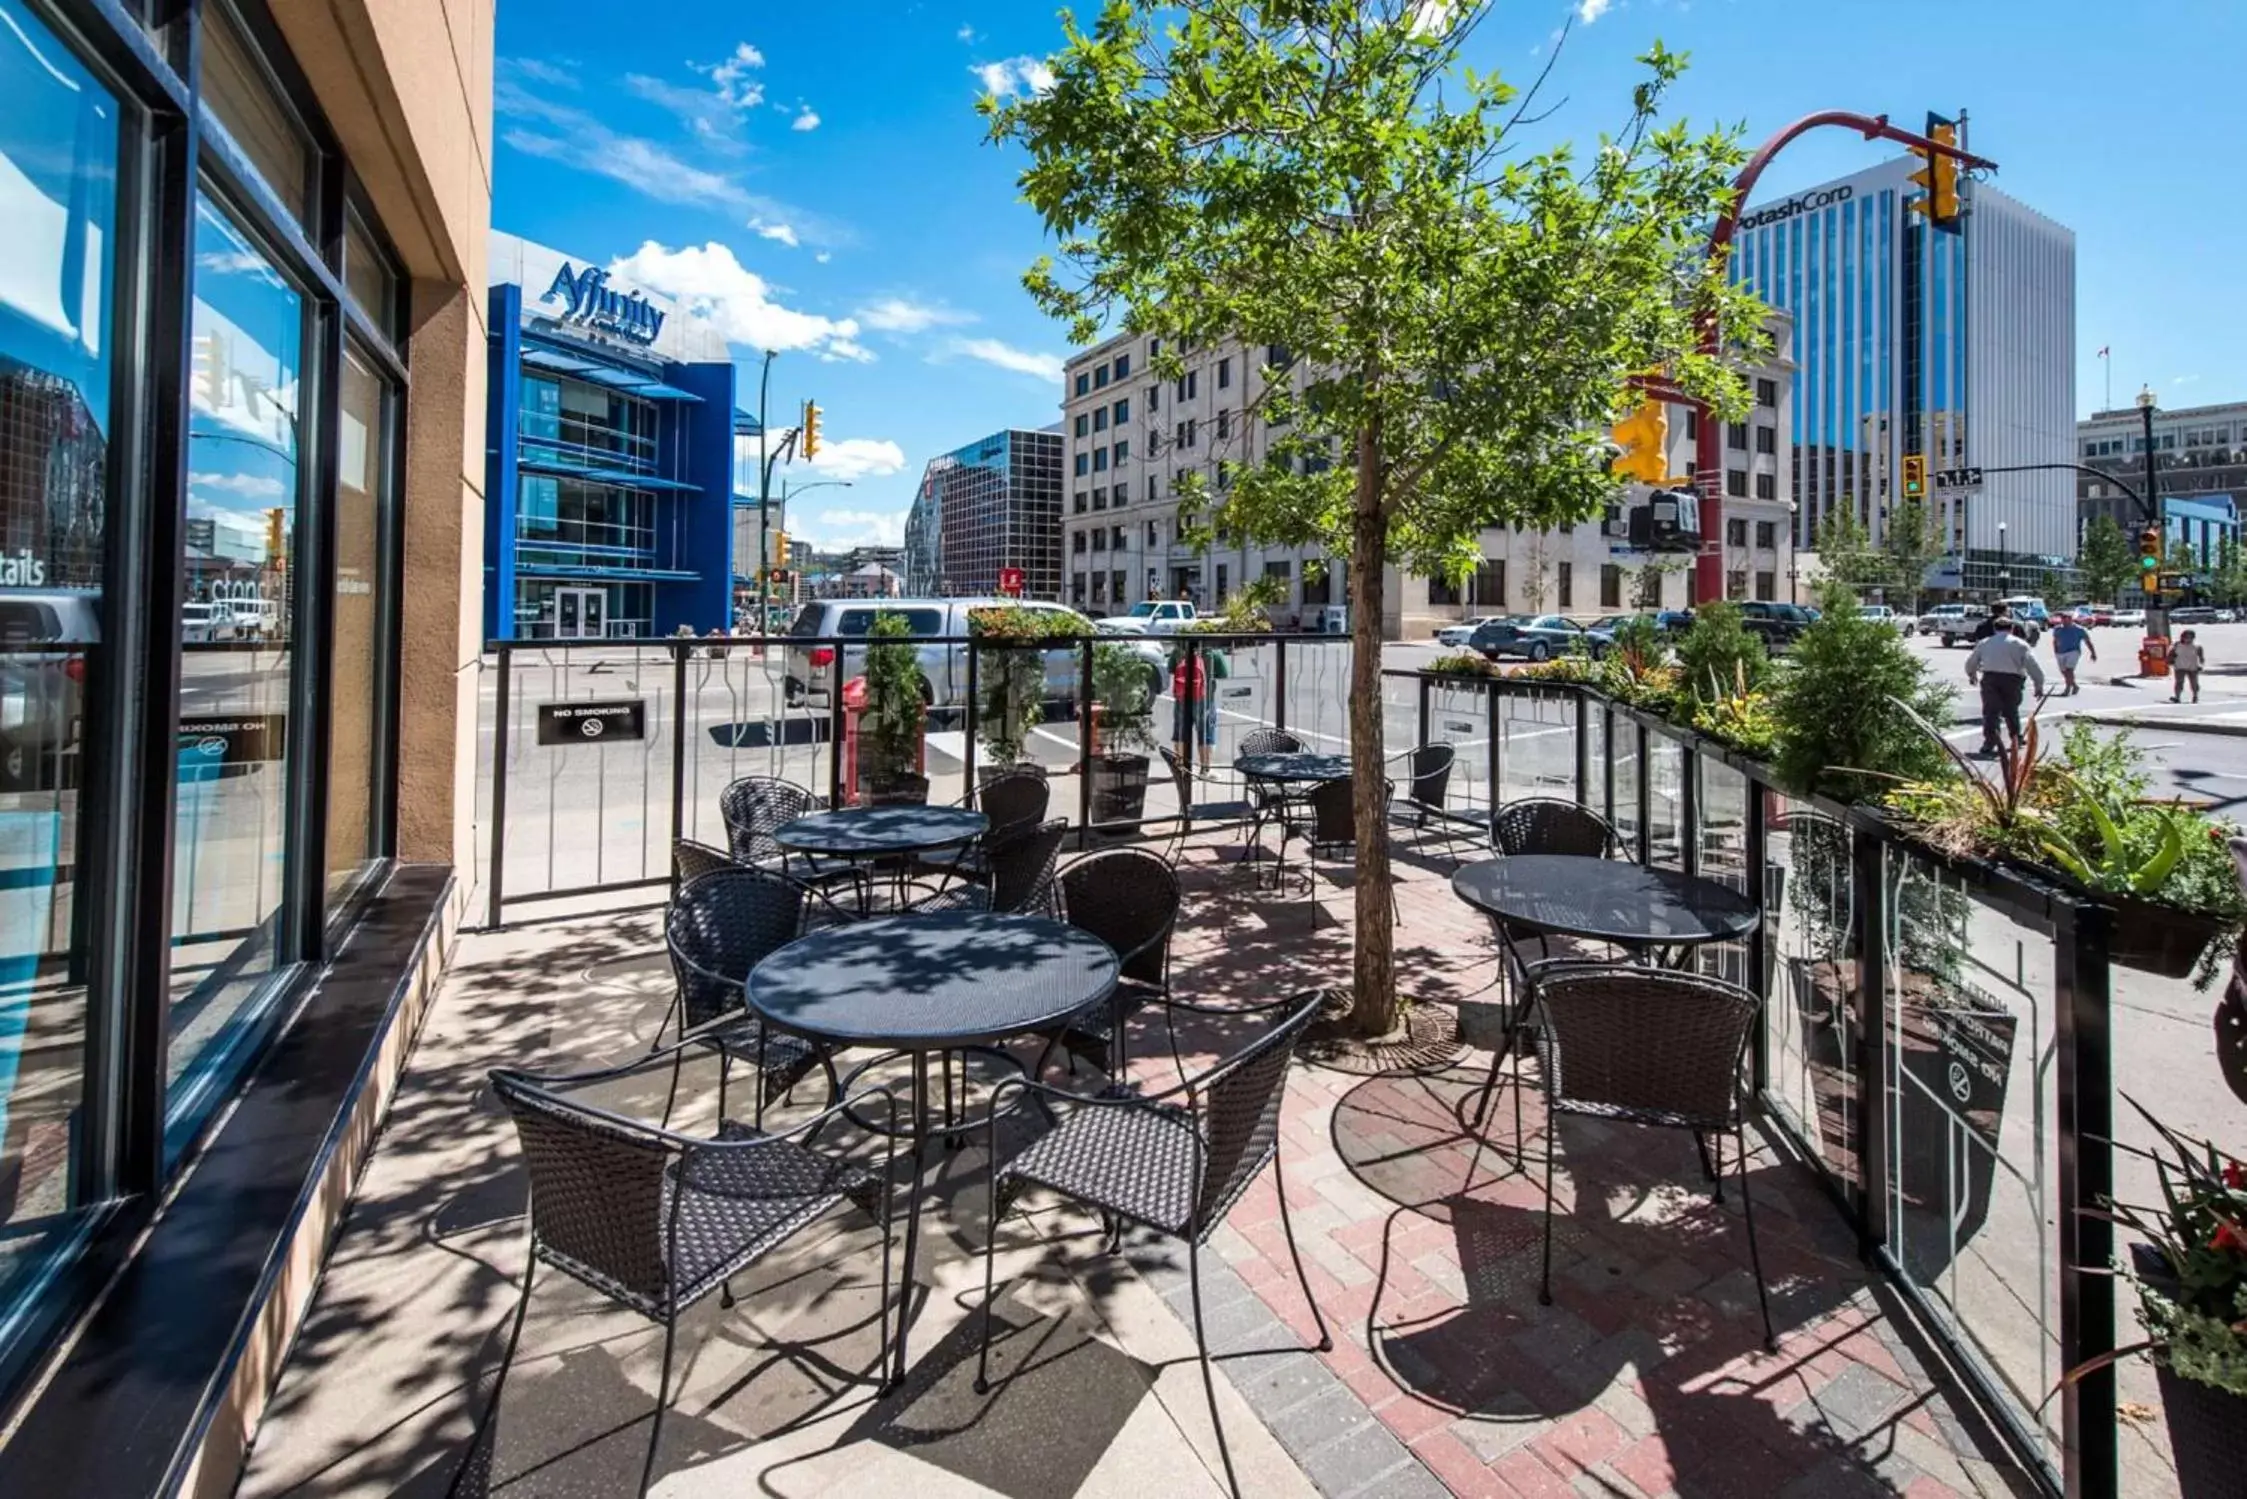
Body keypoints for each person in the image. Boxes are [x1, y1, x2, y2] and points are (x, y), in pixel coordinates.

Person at [1964, 619, 2046, 756]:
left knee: (1990, 712)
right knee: (2011, 710)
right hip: (2012, 679)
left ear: (1995, 629)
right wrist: (2039, 684)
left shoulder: (1985, 643)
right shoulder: (2019, 644)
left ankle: (1989, 742)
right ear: (2012, 628)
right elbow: (2032, 665)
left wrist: (1972, 674)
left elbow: (1972, 661)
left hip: (1990, 678)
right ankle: (2015, 738)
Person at [1170, 643, 1221, 775]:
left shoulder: (1178, 651)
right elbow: (1223, 673)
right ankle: (1205, 769)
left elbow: (1171, 669)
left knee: (1181, 731)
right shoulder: (1212, 652)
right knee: (1205, 732)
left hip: (1182, 698)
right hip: (1204, 698)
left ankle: (1181, 768)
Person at [2047, 613, 2095, 696]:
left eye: (2067, 618)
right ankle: (2074, 686)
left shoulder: (2079, 629)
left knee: (2069, 670)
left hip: (2073, 651)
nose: (2064, 620)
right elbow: (2055, 640)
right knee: (2064, 672)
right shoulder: (2057, 629)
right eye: (2063, 619)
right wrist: (2055, 650)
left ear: (2071, 619)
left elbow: (2087, 641)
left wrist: (2093, 653)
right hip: (2060, 652)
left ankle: (2067, 689)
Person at [2171, 629, 2206, 703]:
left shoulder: (2197, 646)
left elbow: (2201, 657)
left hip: (2192, 667)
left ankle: (2195, 696)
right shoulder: (2177, 645)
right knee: (2179, 682)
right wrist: (2171, 660)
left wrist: (2200, 665)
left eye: (2190, 638)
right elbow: (2172, 654)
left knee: (2194, 683)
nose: (2188, 639)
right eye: (2186, 637)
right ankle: (2177, 697)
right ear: (2182, 637)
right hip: (2179, 666)